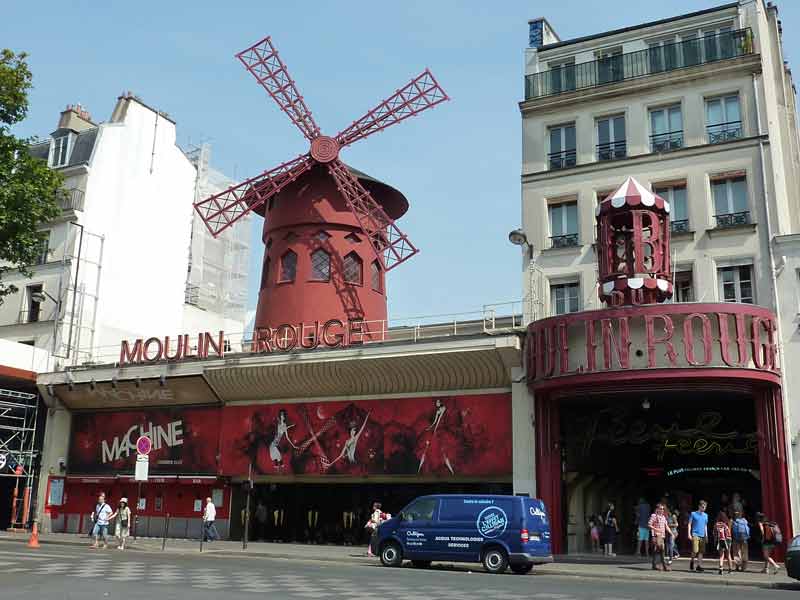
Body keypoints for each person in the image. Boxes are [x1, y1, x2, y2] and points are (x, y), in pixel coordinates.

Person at [648, 503, 674, 571]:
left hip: (662, 536)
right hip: (656, 536)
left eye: (663, 509)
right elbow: (649, 525)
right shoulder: (654, 516)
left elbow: (666, 526)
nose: (662, 510)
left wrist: (671, 533)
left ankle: (654, 565)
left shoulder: (663, 517)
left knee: (657, 550)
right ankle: (664, 566)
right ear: (657, 509)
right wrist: (656, 529)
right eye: (661, 509)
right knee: (662, 549)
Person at [688, 500, 709, 572]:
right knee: (695, 550)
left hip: (702, 535)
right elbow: (689, 524)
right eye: (702, 507)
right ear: (699, 506)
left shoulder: (706, 515)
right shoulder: (693, 514)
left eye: (705, 507)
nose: (704, 508)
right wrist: (689, 534)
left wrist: (706, 535)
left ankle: (699, 566)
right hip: (695, 534)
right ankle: (692, 560)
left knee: (701, 551)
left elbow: (705, 525)